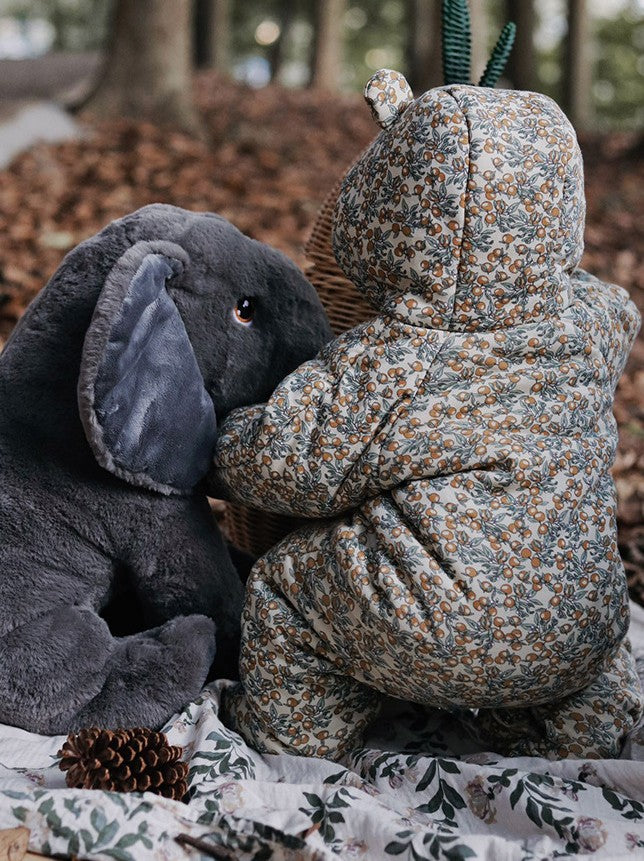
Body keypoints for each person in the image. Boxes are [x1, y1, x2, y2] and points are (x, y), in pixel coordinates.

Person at [209, 70, 643, 761]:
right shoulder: (591, 322)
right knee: (568, 651)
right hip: (577, 626)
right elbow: (619, 307)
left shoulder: (392, 362)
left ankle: (297, 732)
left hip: (434, 629)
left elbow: (292, 465)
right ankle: (566, 727)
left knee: (287, 589)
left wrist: (221, 442)